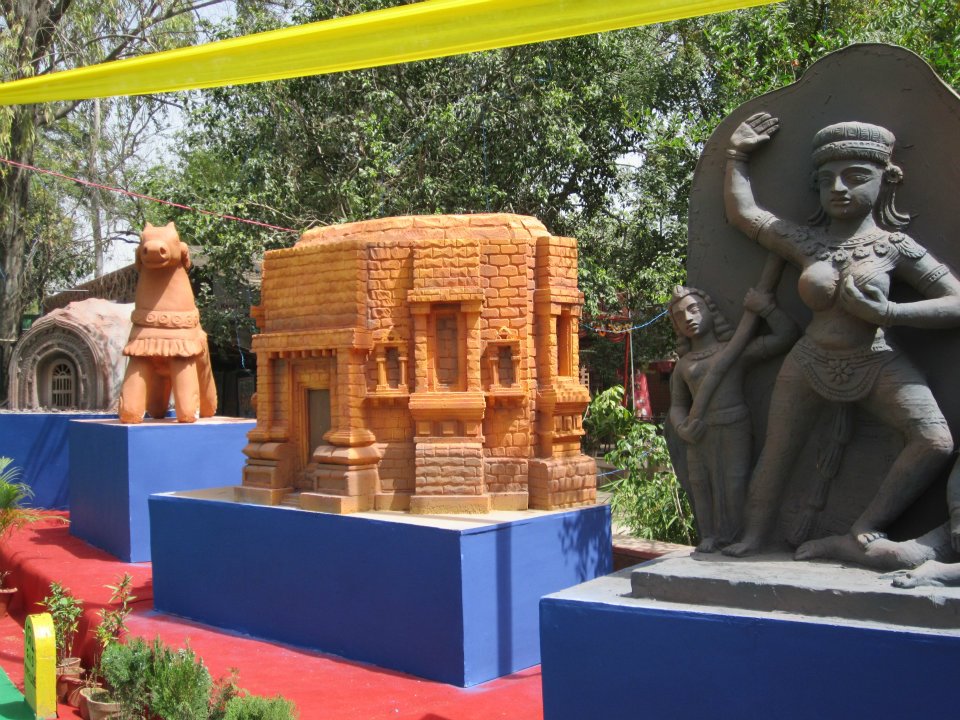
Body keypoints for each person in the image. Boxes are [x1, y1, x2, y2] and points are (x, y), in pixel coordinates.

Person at [720, 113, 960, 558]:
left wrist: (890, 313)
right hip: (810, 359)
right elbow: (745, 215)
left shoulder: (894, 247)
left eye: (856, 177)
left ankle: (863, 528)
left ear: (886, 182)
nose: (839, 188)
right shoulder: (806, 243)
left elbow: (956, 301)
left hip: (875, 357)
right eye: (827, 179)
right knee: (777, 451)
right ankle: (753, 535)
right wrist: (736, 155)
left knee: (934, 440)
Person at [668, 285, 798, 552]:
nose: (688, 318)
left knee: (735, 482)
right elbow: (677, 405)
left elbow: (786, 337)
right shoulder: (684, 365)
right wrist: (682, 428)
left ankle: (737, 537)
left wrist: (766, 308)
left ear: (710, 311)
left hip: (733, 425)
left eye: (694, 309)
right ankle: (708, 535)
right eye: (680, 316)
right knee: (700, 486)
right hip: (698, 432)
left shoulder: (735, 350)